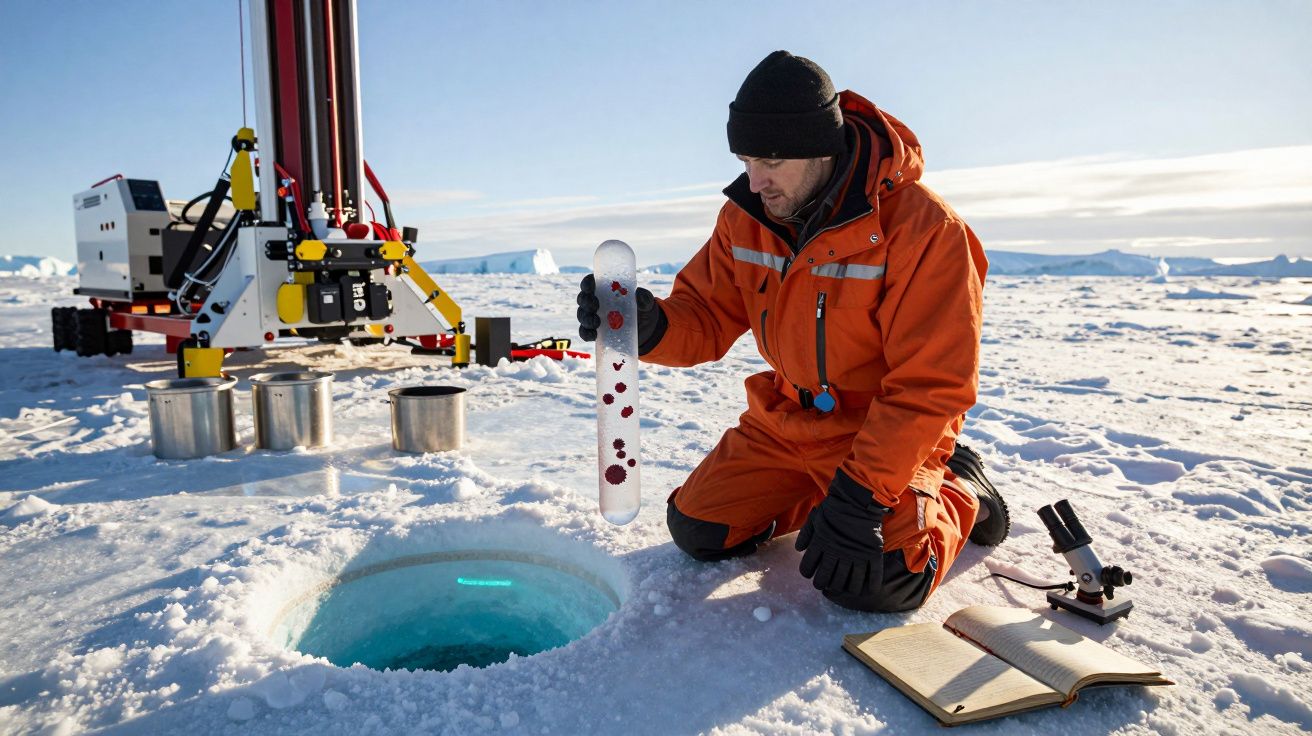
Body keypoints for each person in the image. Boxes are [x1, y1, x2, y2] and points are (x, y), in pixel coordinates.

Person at [576, 50, 1008, 612]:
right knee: (699, 529)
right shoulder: (745, 218)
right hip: (785, 420)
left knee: (877, 580)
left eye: (771, 161)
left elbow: (932, 386)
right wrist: (652, 326)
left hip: (882, 428)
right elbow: (704, 316)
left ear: (821, 148)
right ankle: (822, 491)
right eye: (746, 160)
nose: (755, 181)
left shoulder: (924, 229)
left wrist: (862, 495)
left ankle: (959, 486)